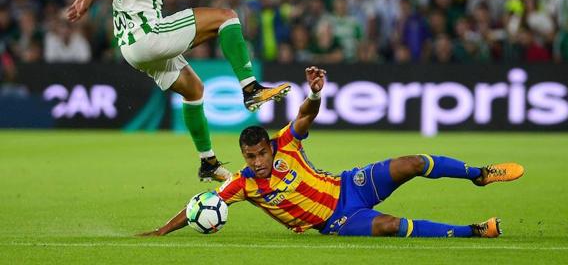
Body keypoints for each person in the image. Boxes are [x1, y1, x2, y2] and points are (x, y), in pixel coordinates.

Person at [139, 66, 525, 238]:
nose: (256, 162)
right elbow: (200, 204)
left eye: (260, 154)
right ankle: (473, 232)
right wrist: (162, 230)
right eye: (249, 157)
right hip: (335, 221)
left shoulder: (287, 142)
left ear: (271, 147)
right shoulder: (243, 185)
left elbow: (306, 116)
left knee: (414, 162)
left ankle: (478, 174)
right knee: (393, 226)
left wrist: (316, 94)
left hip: (349, 186)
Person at [66, 0, 290, 182]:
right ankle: (250, 89)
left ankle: (208, 162)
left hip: (129, 46)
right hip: (148, 34)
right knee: (227, 16)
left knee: (194, 90)